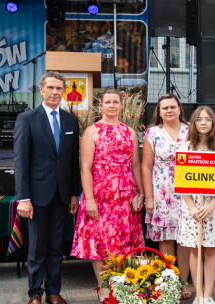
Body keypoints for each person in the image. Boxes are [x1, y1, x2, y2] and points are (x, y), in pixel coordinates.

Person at [71, 89, 145, 303]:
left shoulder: (129, 131)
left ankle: (122, 285)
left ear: (121, 106)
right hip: (100, 195)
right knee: (101, 241)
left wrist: (140, 193)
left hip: (126, 196)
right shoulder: (91, 131)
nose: (111, 105)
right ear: (100, 106)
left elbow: (136, 165)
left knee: (125, 241)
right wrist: (90, 199)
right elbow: (85, 168)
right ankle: (103, 287)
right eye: (107, 102)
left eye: (115, 102)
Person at [14, 71, 80, 304]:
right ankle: (35, 294)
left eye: (59, 88)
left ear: (64, 91)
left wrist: (74, 192)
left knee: (56, 245)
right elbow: (21, 161)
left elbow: (73, 161)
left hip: (62, 195)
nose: (55, 92)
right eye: (50, 88)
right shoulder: (27, 119)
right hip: (36, 195)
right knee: (37, 247)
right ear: (41, 90)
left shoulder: (71, 121)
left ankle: (53, 291)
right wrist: (23, 197)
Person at [177, 106, 215, 304]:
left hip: (214, 208)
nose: (203, 122)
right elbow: (181, 181)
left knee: (210, 250)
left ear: (213, 123)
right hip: (191, 207)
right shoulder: (184, 148)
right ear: (193, 123)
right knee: (194, 249)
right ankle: (199, 294)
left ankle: (208, 295)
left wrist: (212, 205)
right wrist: (193, 207)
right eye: (199, 119)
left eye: (207, 119)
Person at [141, 93, 192, 299]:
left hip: (187, 191)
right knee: (165, 239)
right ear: (159, 112)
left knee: (185, 239)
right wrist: (149, 198)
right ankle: (169, 282)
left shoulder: (191, 131)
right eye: (165, 108)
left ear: (180, 109)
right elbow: (145, 166)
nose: (169, 110)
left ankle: (183, 282)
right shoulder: (152, 133)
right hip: (162, 193)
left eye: (173, 106)